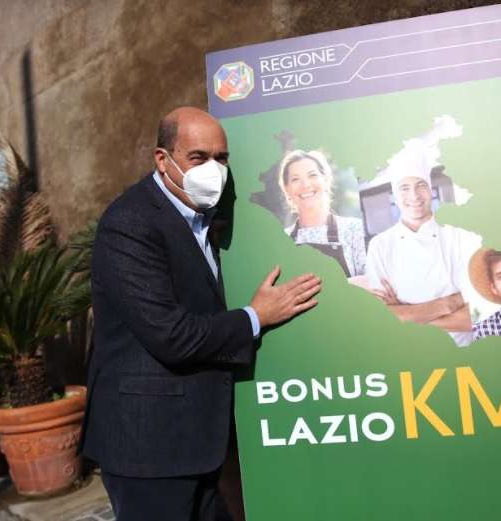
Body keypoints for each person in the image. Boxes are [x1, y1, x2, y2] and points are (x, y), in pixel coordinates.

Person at [79, 107, 322, 521]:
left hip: (202, 442)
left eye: (221, 158)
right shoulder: (130, 222)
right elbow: (171, 335)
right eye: (198, 157)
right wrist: (256, 316)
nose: (213, 169)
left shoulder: (208, 219)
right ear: (163, 159)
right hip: (149, 448)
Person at [365, 118, 480, 346]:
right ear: (395, 196)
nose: (414, 196)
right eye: (404, 188)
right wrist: (447, 304)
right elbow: (382, 320)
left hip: (465, 349)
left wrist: (407, 313)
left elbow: (477, 313)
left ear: (430, 190)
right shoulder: (380, 245)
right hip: (411, 350)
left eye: (420, 186)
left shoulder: (460, 237)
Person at [278, 149, 366, 277]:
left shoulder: (353, 229)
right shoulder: (282, 240)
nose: (306, 184)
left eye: (312, 175)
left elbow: (370, 284)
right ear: (286, 189)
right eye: (295, 179)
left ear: (326, 180)